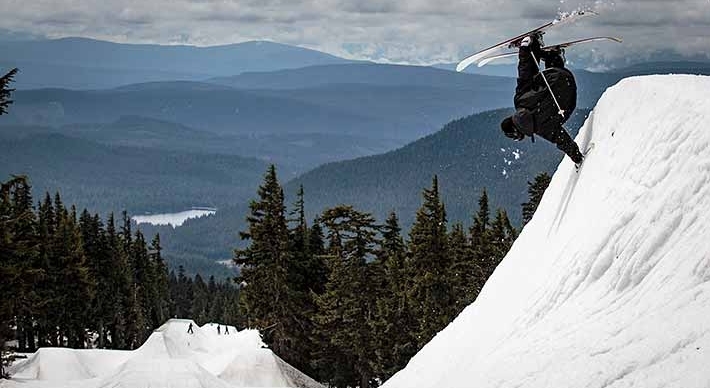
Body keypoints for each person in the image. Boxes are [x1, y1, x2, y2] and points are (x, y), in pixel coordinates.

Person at [500, 34, 584, 165]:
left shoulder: (541, 129)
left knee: (555, 100)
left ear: (518, 132)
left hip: (570, 89)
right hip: (558, 75)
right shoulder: (520, 101)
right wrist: (524, 50)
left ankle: (553, 55)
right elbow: (524, 73)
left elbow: (562, 140)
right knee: (532, 80)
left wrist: (577, 158)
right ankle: (536, 47)